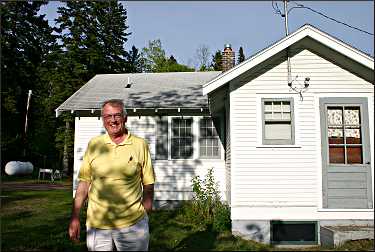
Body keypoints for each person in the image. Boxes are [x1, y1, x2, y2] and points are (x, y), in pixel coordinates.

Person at [68, 99, 155, 251]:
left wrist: (145, 210)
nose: (113, 120)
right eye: (108, 116)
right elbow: (84, 184)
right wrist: (75, 217)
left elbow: (148, 183)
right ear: (103, 120)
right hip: (97, 224)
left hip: (132, 225)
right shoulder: (94, 145)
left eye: (117, 115)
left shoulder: (140, 145)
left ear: (125, 118)